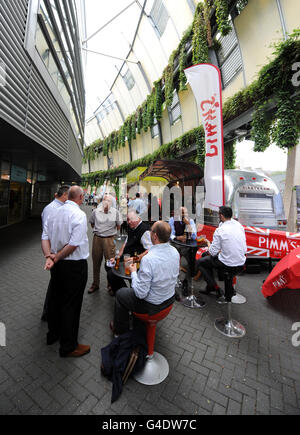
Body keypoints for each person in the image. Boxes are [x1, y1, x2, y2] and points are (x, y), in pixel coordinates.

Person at [41, 186, 90, 358]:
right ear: (81, 198)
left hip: (57, 266)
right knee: (71, 304)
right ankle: (68, 346)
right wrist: (57, 257)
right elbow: (74, 244)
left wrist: (49, 256)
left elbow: (44, 237)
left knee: (55, 298)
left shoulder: (53, 212)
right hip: (74, 266)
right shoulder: (79, 215)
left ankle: (53, 334)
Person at [110, 221, 180, 335]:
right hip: (169, 300)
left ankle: (120, 331)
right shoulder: (175, 252)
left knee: (120, 294)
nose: (149, 233)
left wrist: (133, 273)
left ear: (155, 236)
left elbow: (140, 293)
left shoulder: (149, 259)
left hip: (152, 306)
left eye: (151, 231)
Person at [196, 205, 247, 299]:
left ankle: (214, 287)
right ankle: (213, 286)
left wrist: (207, 242)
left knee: (200, 262)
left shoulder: (220, 230)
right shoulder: (238, 225)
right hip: (241, 262)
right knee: (208, 259)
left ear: (222, 216)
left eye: (219, 214)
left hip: (228, 264)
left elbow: (212, 252)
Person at [40, 185, 70, 321]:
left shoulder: (56, 207)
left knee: (56, 283)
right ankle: (49, 312)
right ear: (64, 195)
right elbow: (47, 234)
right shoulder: (52, 209)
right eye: (69, 195)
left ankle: (52, 311)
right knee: (55, 284)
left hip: (58, 253)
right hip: (54, 253)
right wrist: (50, 255)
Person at [106, 208, 152, 294]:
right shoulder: (132, 227)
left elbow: (150, 249)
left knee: (111, 275)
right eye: (127, 220)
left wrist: (138, 257)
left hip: (135, 261)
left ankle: (124, 293)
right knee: (108, 265)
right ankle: (121, 289)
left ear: (138, 219)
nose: (128, 222)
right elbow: (125, 243)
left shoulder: (145, 231)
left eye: (131, 220)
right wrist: (118, 257)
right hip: (126, 257)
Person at [88, 194, 122, 294]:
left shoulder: (116, 213)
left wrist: (111, 234)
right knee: (96, 262)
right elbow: (92, 223)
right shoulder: (95, 212)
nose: (106, 202)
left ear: (112, 202)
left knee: (110, 263)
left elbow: (118, 226)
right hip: (97, 239)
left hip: (109, 239)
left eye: (108, 200)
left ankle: (110, 285)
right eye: (104, 200)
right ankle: (95, 284)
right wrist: (99, 231)